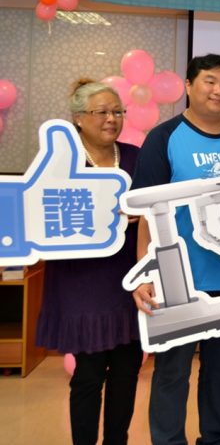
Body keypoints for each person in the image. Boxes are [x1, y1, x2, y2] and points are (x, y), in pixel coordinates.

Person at [131, 54, 220, 445]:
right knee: (173, 370)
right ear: (188, 85)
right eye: (210, 81)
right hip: (178, 277)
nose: (218, 90)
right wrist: (144, 273)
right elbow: (145, 212)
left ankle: (214, 437)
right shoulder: (164, 137)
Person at [36, 79, 144, 445]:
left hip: (129, 279)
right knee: (88, 375)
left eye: (118, 111)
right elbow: (39, 211)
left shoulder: (135, 157)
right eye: (102, 112)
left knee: (127, 372)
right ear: (79, 118)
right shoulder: (59, 161)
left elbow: (158, 206)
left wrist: (141, 214)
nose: (112, 119)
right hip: (81, 280)